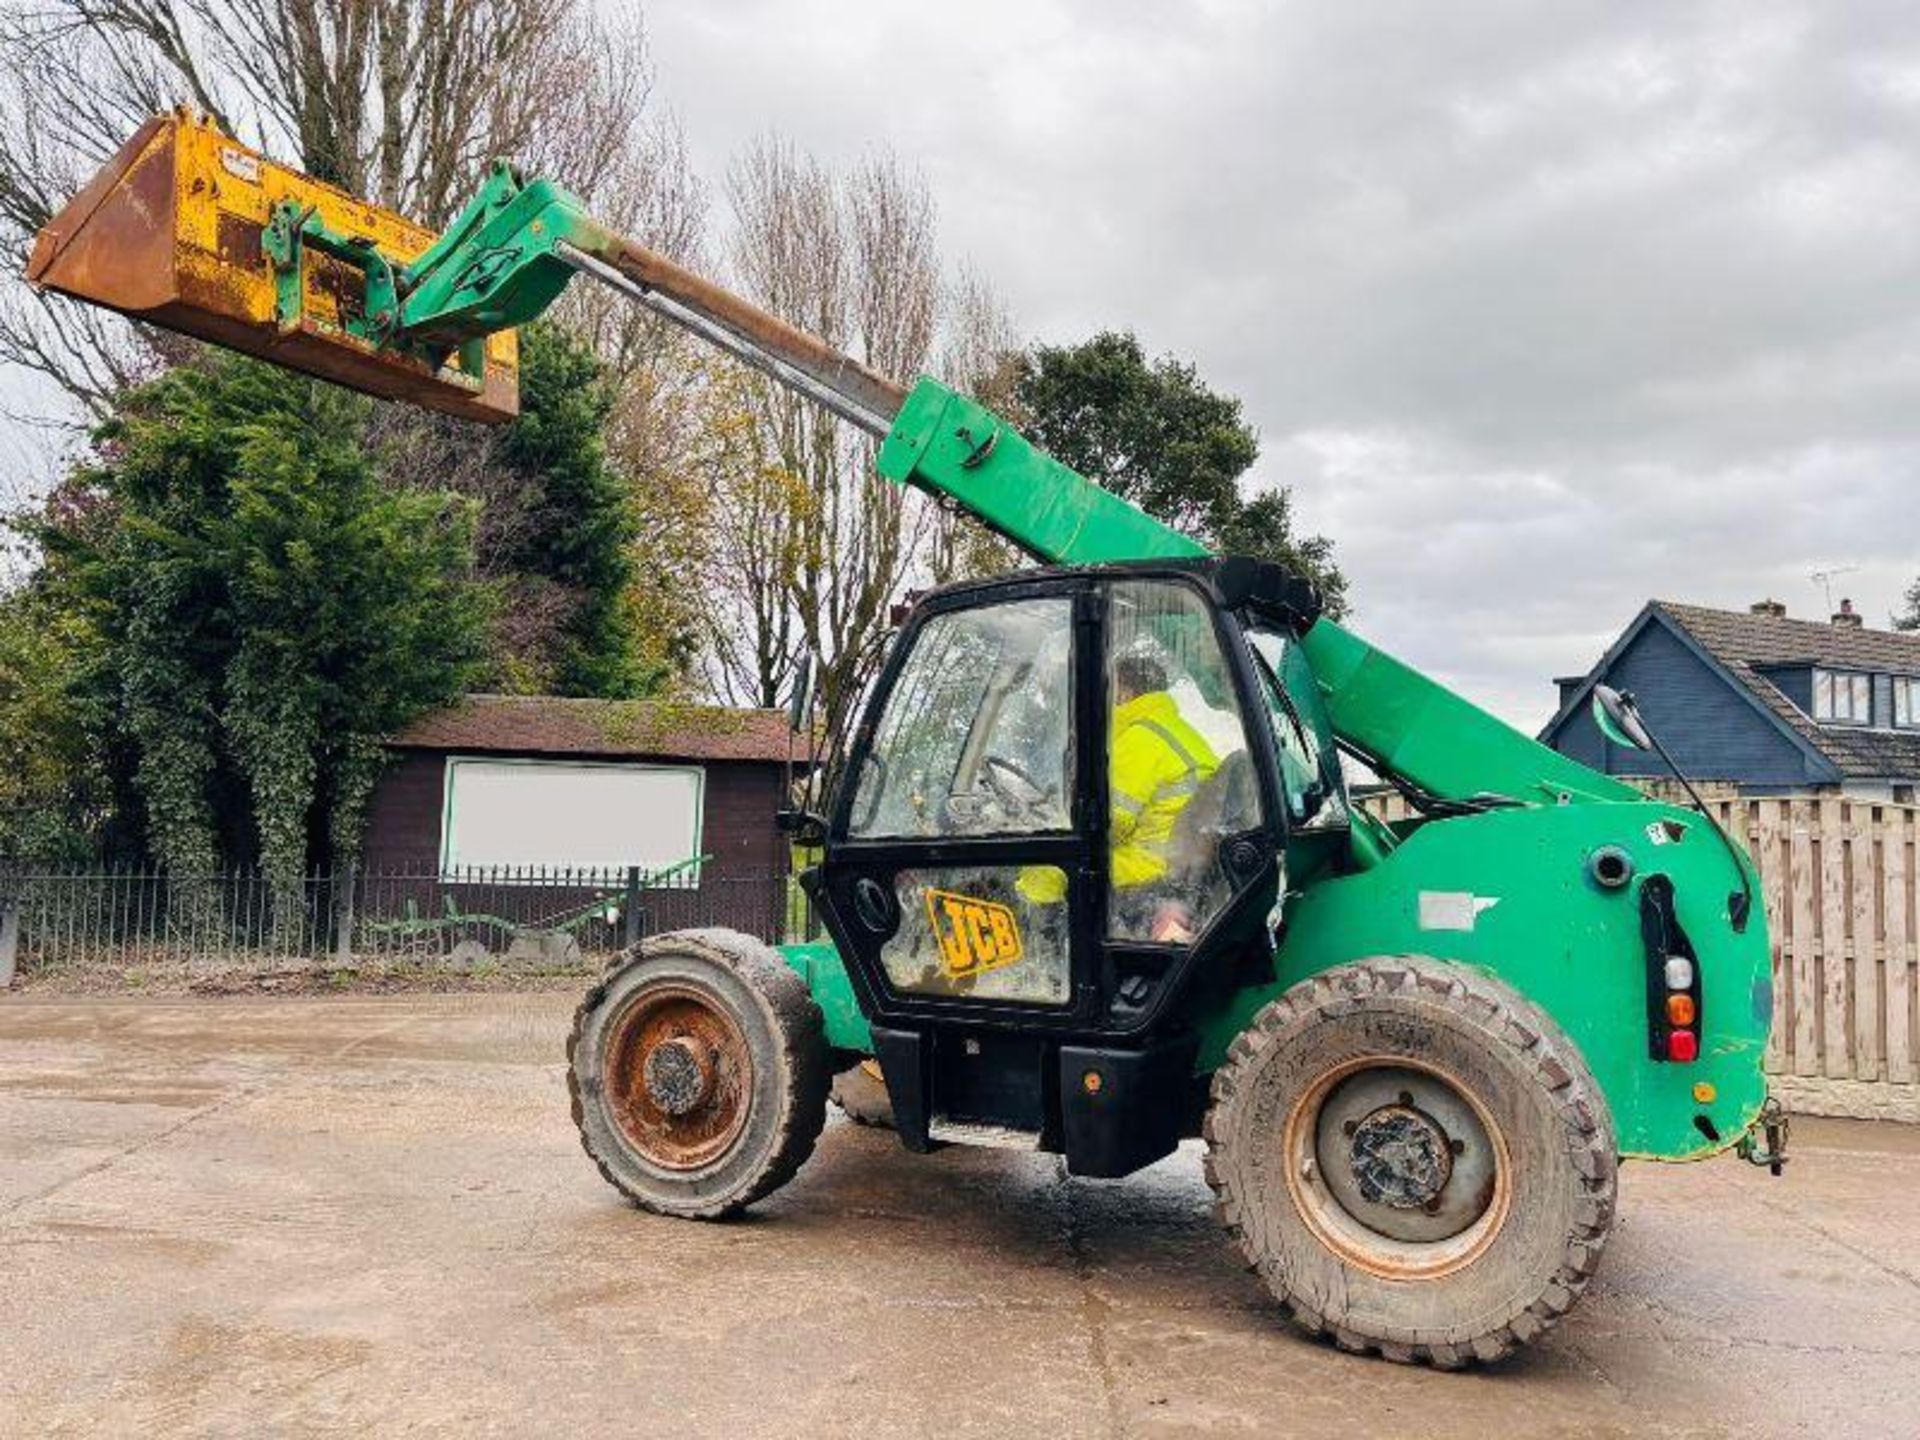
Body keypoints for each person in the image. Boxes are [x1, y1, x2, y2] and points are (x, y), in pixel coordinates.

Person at [1019, 653, 1219, 941]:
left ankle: (1035, 947)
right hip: (1175, 865)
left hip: (1147, 871)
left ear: (1124, 692)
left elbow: (1103, 827)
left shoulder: (1140, 739)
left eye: (1105, 690)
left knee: (1047, 867)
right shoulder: (1180, 733)